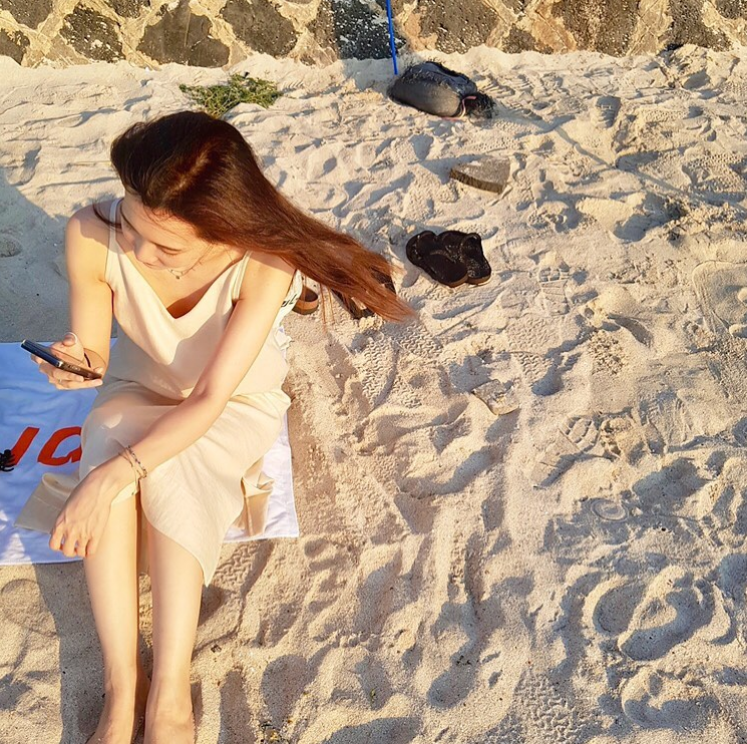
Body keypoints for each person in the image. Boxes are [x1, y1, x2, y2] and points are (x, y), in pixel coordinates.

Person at [14, 110, 414, 744]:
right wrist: (77, 365)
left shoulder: (264, 260)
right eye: (133, 225)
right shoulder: (91, 232)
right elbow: (95, 355)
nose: (139, 251)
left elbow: (207, 398)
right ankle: (123, 685)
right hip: (139, 383)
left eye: (166, 246)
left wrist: (111, 477)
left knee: (164, 465)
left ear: (224, 228)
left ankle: (170, 689)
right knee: (107, 437)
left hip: (230, 401)